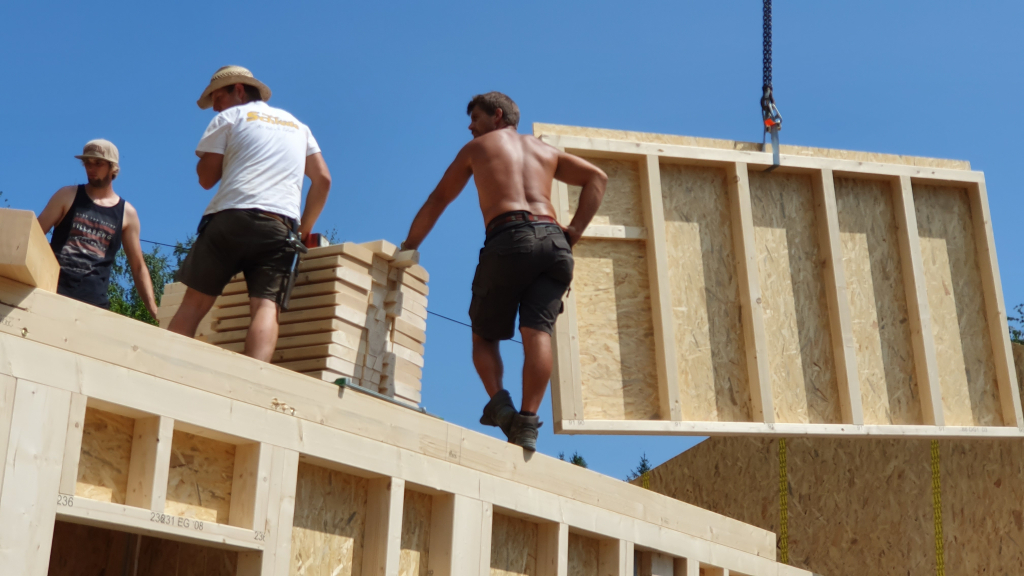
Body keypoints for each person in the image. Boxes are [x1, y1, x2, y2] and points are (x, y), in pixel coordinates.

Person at [401, 92, 606, 451]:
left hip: (509, 237)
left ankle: (500, 404)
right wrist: (573, 232)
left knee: (484, 337)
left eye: (475, 119)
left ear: (497, 116)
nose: (470, 127)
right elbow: (598, 178)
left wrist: (409, 246)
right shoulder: (546, 151)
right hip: (554, 244)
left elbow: (438, 199)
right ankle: (527, 423)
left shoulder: (478, 149)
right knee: (537, 333)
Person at [167, 65, 331, 361]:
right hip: (279, 226)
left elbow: (206, 179)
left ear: (239, 90)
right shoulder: (298, 126)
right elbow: (323, 180)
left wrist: (211, 155)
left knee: (193, 305)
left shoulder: (230, 117)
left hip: (230, 219)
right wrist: (303, 229)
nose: (214, 107)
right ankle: (254, 385)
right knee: (266, 307)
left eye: (217, 98)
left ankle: (162, 371)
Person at [38, 139, 158, 318]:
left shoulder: (127, 214)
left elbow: (138, 266)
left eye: (98, 163)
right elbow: (33, 237)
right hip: (52, 294)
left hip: (94, 307)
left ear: (113, 168)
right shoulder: (67, 196)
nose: (90, 168)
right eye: (87, 163)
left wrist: (155, 311)